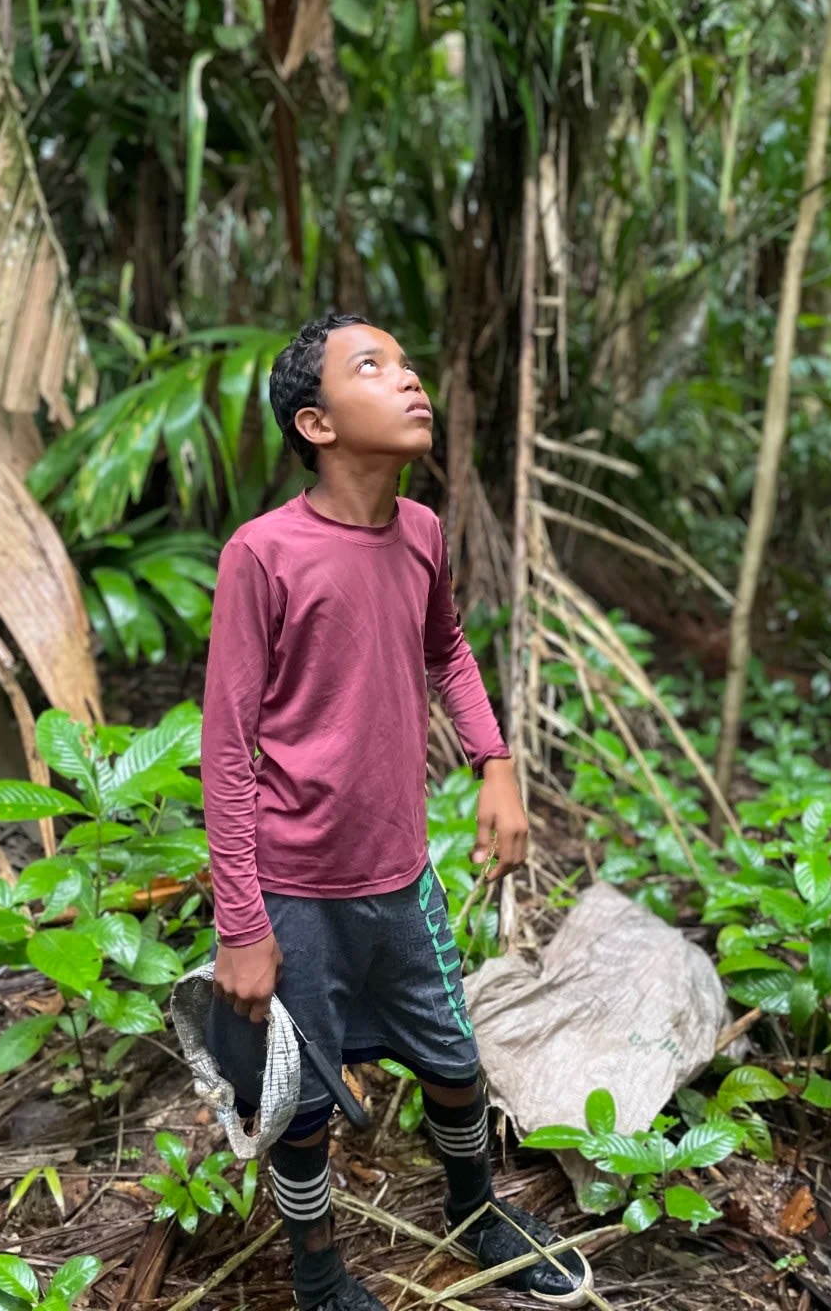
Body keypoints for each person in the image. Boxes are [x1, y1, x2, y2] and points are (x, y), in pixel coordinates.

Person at [200, 312, 589, 1309]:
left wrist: (495, 763)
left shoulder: (421, 532)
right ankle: (321, 1273)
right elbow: (226, 745)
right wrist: (242, 922)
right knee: (297, 1103)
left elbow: (445, 649)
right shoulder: (264, 553)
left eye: (408, 362)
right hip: (296, 890)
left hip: (401, 878)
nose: (409, 379)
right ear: (316, 424)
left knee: (455, 1061)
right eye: (373, 367)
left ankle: (471, 1204)